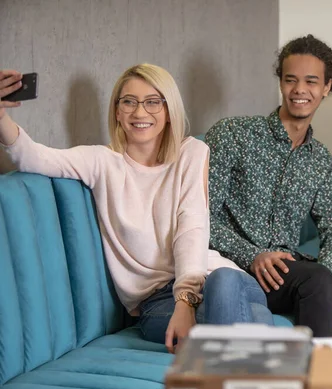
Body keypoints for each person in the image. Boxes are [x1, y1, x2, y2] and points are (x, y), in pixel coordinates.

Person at [0, 64, 273, 353]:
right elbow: (33, 157)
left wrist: (186, 298)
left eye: (153, 102)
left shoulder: (191, 153)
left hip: (214, 279)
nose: (140, 112)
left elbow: (191, 227)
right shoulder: (101, 162)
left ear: (169, 111)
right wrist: (2, 116)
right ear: (117, 111)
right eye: (129, 101)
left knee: (226, 281)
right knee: (255, 320)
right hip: (157, 302)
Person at [205, 35, 332, 337]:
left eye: (311, 81)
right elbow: (199, 215)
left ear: (327, 87)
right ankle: (322, 381)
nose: (300, 90)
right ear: (281, 83)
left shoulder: (320, 160)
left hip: (295, 273)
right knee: (315, 281)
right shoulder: (233, 134)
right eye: (291, 80)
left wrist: (327, 271)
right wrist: (252, 254)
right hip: (241, 270)